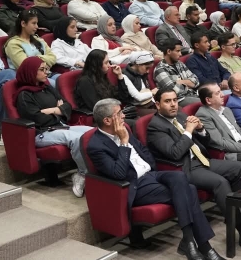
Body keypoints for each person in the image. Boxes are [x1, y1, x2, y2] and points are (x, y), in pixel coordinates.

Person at [86, 98, 220, 257]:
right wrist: (123, 142)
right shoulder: (96, 146)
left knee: (179, 177)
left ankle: (189, 241)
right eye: (119, 113)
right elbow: (119, 173)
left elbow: (144, 151)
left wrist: (150, 167)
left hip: (151, 175)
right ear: (107, 120)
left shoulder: (124, 128)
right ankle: (202, 246)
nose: (124, 116)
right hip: (134, 185)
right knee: (189, 190)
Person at [146, 88, 241, 255]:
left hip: (202, 160)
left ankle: (238, 214)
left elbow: (205, 140)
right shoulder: (155, 127)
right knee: (220, 183)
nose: (173, 104)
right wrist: (189, 131)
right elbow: (175, 153)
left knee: (240, 168)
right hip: (184, 168)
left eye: (175, 100)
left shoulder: (181, 116)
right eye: (167, 101)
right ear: (157, 104)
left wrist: (200, 129)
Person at [14, 56, 91, 196]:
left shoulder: (47, 87)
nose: (46, 72)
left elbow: (67, 106)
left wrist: (51, 110)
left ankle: (97, 171)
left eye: (46, 69)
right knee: (77, 139)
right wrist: (58, 111)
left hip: (59, 126)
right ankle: (82, 175)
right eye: (42, 69)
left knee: (92, 132)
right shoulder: (24, 95)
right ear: (31, 72)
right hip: (42, 133)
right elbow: (38, 119)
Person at [5, 10, 58, 85]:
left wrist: (35, 58)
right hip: (31, 80)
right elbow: (26, 66)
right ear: (23, 24)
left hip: (48, 73)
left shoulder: (38, 39)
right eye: (33, 23)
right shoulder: (13, 44)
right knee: (58, 85)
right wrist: (45, 61)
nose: (37, 27)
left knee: (64, 80)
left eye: (37, 23)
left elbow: (53, 58)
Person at [153, 39, 201, 107]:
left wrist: (180, 82)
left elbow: (196, 80)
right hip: (178, 100)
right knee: (204, 102)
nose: (180, 54)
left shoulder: (179, 64)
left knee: (212, 97)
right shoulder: (160, 70)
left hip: (192, 94)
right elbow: (175, 91)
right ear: (169, 51)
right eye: (178, 51)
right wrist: (189, 83)